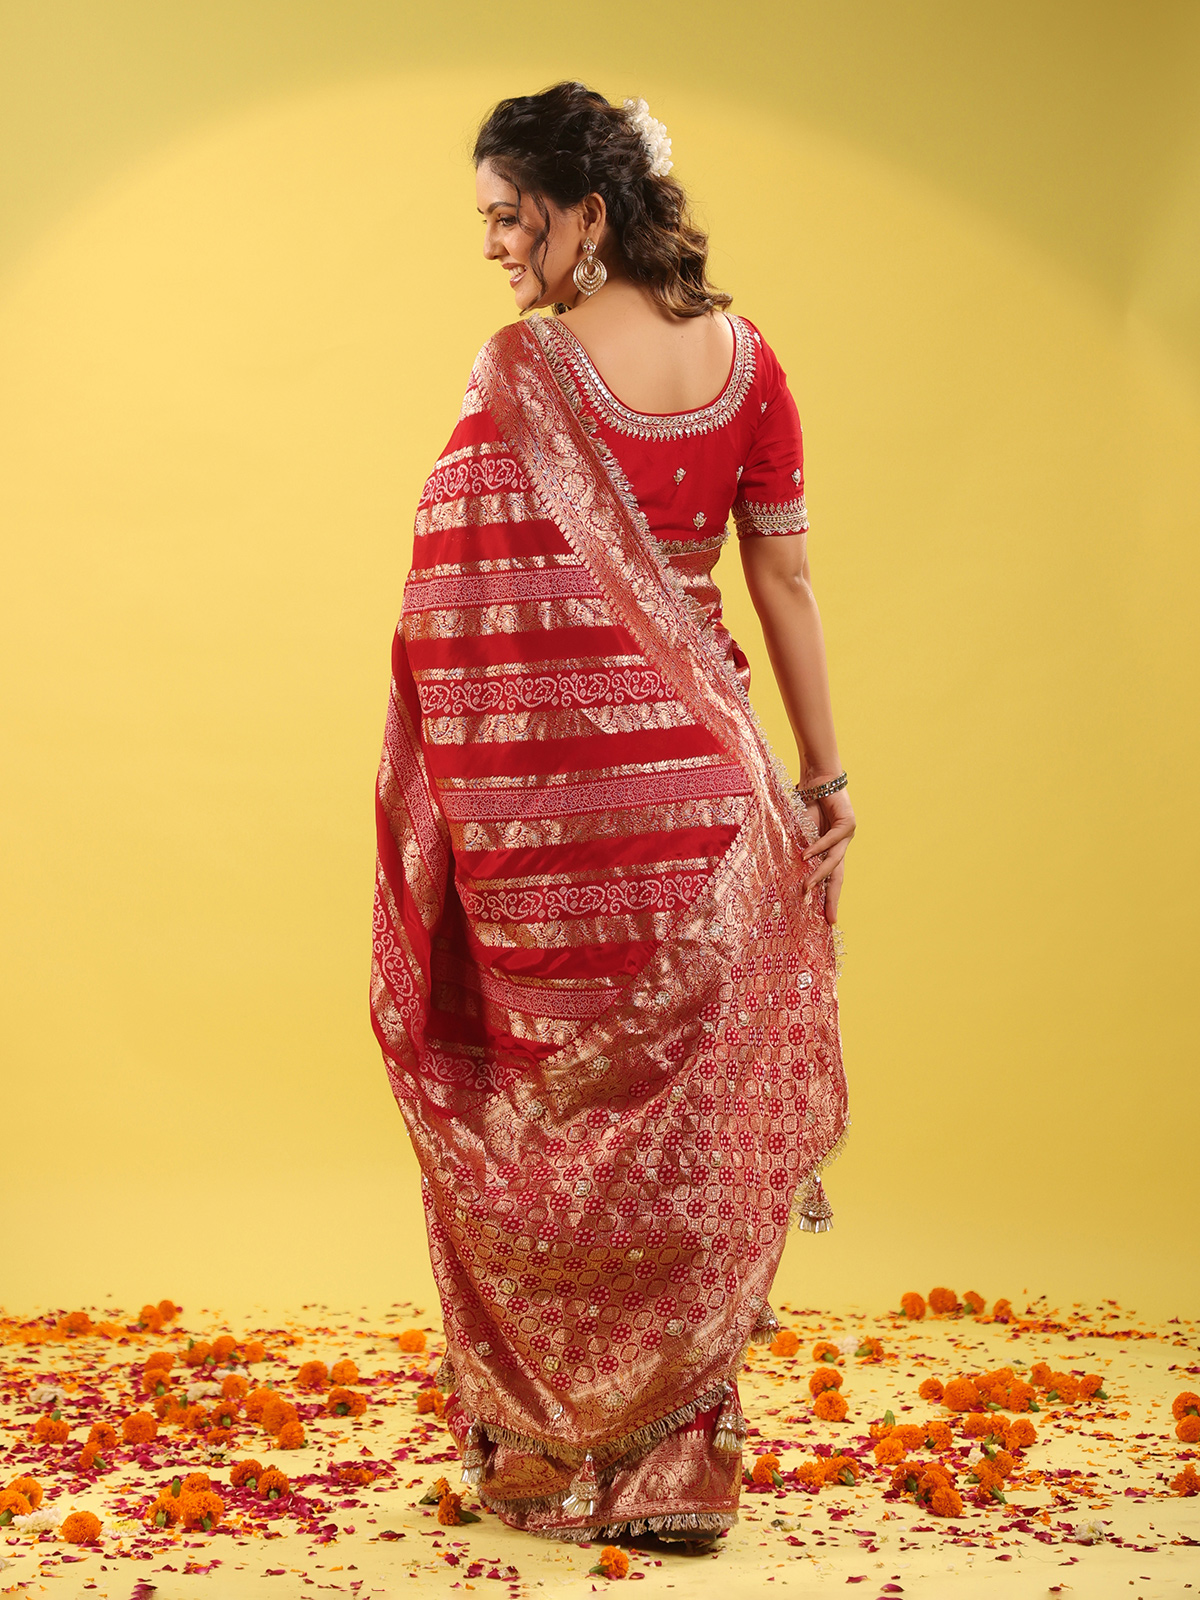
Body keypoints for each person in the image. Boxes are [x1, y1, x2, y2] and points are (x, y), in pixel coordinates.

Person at [371, 81, 854, 1550]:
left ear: (586, 211)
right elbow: (783, 580)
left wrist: (463, 797)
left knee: (548, 1124)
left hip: (565, 828)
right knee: (684, 1152)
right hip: (721, 818)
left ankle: (542, 1445)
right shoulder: (749, 359)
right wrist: (822, 781)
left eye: (508, 218)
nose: (493, 247)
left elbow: (454, 603)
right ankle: (675, 1468)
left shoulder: (522, 370)